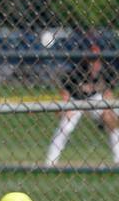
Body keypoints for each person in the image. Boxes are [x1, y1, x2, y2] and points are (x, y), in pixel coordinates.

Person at [44, 39, 119, 167]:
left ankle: (118, 159)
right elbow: (65, 93)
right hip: (76, 100)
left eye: (96, 60)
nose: (94, 63)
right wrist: (65, 109)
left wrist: (108, 110)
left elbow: (108, 94)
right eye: (91, 60)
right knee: (65, 127)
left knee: (111, 120)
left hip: (95, 99)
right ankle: (50, 162)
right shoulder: (75, 71)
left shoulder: (107, 71)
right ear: (85, 60)